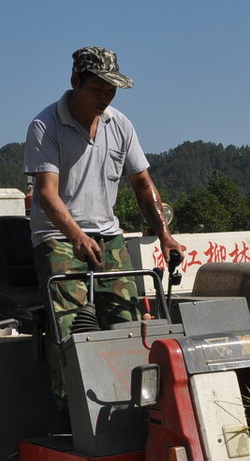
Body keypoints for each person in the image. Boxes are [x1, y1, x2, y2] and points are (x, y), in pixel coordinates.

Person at [24, 46, 184, 392]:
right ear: (75, 81)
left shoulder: (120, 124)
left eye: (110, 90)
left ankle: (128, 401)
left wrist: (165, 235)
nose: (104, 98)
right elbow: (47, 194)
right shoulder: (45, 125)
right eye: (97, 89)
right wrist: (77, 236)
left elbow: (142, 182)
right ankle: (72, 410)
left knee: (128, 323)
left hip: (109, 235)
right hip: (59, 236)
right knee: (71, 331)